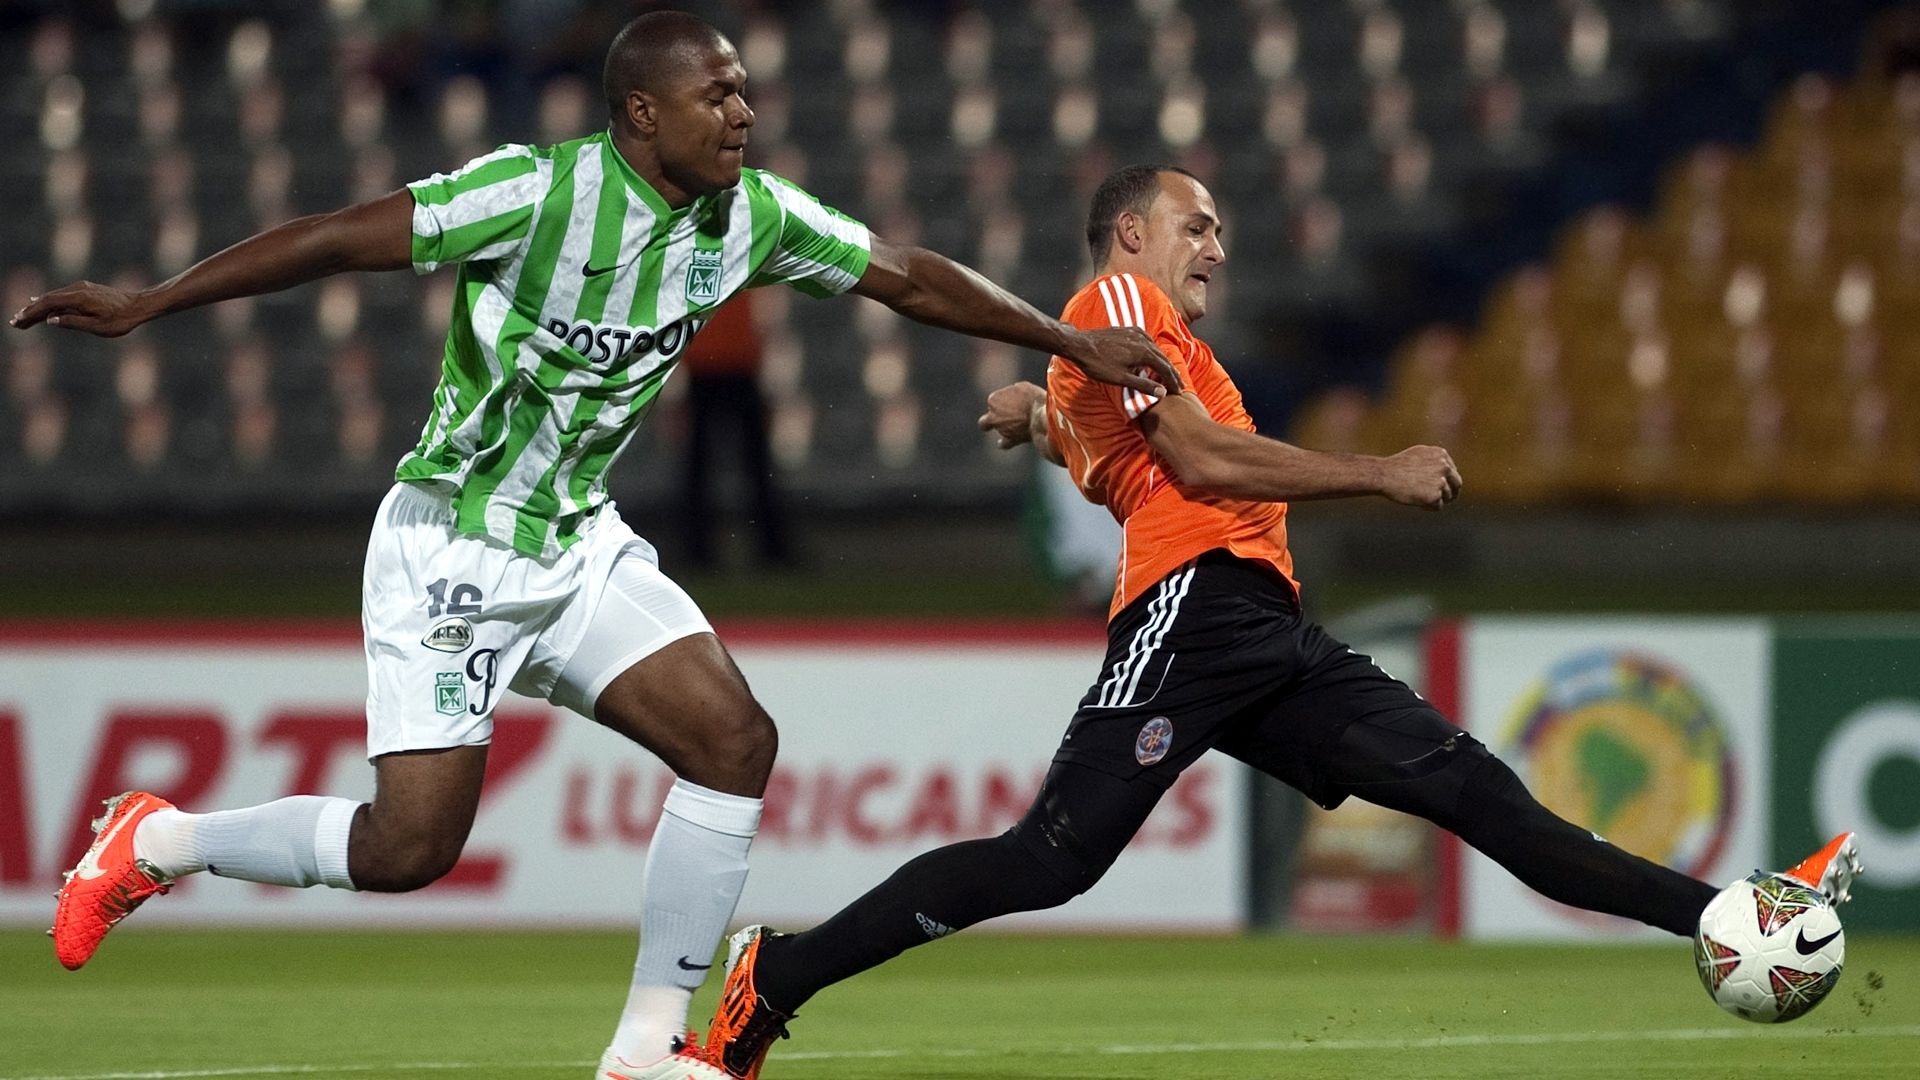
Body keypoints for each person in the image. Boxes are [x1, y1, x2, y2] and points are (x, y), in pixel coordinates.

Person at [13, 14, 1178, 1080]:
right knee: (408, 847)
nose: (743, 115)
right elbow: (334, 237)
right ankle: (159, 839)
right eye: (716, 96)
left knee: (733, 743)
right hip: (451, 550)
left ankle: (646, 1052)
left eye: (744, 94)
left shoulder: (750, 215)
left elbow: (908, 277)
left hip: (576, 543)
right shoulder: (531, 193)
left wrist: (1065, 336)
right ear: (640, 114)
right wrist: (150, 303)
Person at [699, 165, 1864, 1080]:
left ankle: (1726, 915)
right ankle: (777, 977)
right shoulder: (1115, 303)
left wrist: (1039, 416)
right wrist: (1382, 470)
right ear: (1131, 233)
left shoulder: (1159, 349)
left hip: (1265, 630)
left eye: (1218, 229)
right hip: (1189, 608)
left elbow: (1116, 439)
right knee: (1048, 860)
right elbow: (1195, 463)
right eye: (1194, 223)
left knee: (1478, 796)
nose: (1217, 244)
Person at [675, 292, 788, 570]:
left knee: (712, 465)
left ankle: (701, 550)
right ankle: (766, 548)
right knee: (735, 464)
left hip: (724, 360)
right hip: (720, 361)